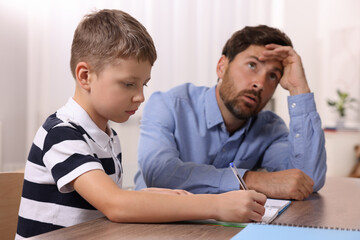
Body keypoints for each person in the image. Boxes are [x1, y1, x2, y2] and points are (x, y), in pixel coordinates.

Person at [16, 10, 267, 239]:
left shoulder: (107, 136)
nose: (140, 96)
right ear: (85, 76)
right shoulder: (61, 133)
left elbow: (104, 205)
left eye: (143, 84)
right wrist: (216, 206)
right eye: (128, 84)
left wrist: (141, 196)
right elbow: (115, 205)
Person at [134, 25, 327, 201]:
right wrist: (251, 180)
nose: (259, 83)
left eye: (272, 76)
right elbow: (159, 175)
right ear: (221, 67)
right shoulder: (168, 105)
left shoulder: (270, 129)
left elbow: (307, 181)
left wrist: (298, 88)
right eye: (252, 65)